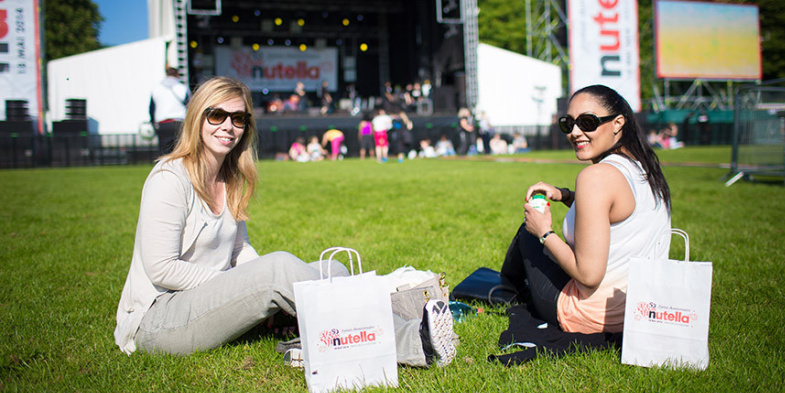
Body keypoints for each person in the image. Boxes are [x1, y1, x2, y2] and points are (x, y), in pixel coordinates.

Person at [114, 76, 455, 368]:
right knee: (277, 270)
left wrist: (257, 288)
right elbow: (161, 269)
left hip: (207, 301)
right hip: (158, 320)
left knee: (331, 271)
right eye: (217, 115)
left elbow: (239, 249)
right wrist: (243, 284)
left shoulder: (229, 178)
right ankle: (415, 341)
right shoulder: (169, 178)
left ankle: (331, 337)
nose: (228, 126)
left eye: (239, 118)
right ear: (197, 117)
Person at [496, 84, 672, 357]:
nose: (575, 132)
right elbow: (616, 211)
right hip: (642, 311)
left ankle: (505, 290)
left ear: (617, 123)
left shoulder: (596, 177)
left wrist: (544, 232)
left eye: (587, 122)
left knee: (528, 229)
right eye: (568, 123)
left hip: (591, 314)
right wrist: (564, 195)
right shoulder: (641, 166)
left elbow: (589, 277)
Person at [149, 67, 190, 155]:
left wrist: (153, 122)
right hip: (179, 123)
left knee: (164, 153)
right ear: (177, 75)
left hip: (163, 124)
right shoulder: (182, 88)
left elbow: (151, 108)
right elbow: (190, 106)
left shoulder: (156, 89)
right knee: (180, 152)